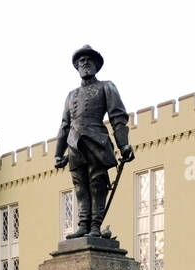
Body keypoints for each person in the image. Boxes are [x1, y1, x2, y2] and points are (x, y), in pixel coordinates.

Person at [54, 44, 136, 241]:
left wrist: (123, 144)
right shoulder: (71, 95)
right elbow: (65, 125)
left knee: (97, 184)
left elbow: (117, 116)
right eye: (81, 61)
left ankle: (95, 226)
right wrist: (58, 153)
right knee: (80, 187)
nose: (85, 63)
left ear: (96, 66)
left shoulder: (106, 86)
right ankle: (83, 225)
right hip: (74, 145)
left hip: (97, 141)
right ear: (77, 67)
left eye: (89, 60)